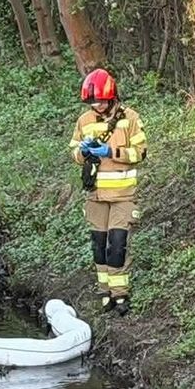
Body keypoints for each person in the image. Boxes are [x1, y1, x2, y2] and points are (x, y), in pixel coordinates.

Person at [69, 68, 147, 315]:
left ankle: (120, 296)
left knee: (117, 245)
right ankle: (105, 293)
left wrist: (111, 153)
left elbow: (140, 153)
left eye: (100, 101)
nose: (97, 106)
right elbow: (73, 153)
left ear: (111, 96)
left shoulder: (130, 119)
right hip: (96, 196)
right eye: (92, 102)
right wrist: (83, 151)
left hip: (123, 195)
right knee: (99, 245)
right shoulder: (84, 121)